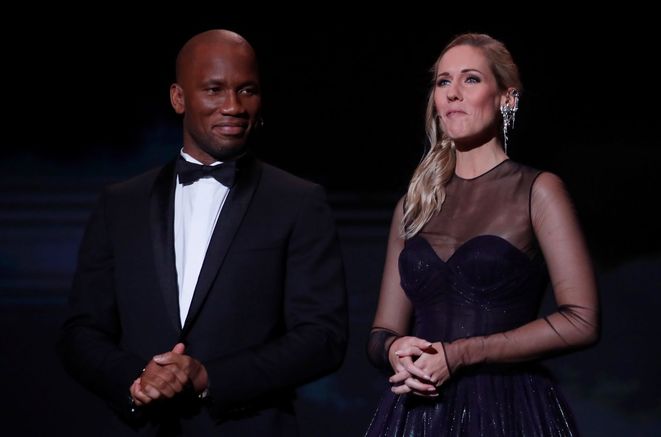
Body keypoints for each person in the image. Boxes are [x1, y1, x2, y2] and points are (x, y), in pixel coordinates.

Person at [58, 29, 348, 436]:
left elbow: (323, 338)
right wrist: (139, 378)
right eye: (214, 89)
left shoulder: (298, 201)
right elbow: (80, 333)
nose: (233, 106)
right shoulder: (120, 203)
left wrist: (209, 377)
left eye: (246, 90)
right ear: (179, 98)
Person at [365, 33, 599, 436]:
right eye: (443, 82)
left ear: (507, 98)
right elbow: (380, 332)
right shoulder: (413, 205)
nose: (452, 93)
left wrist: (459, 354)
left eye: (470, 79)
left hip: (509, 411)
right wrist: (393, 350)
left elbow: (581, 320)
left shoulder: (537, 190)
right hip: (418, 413)